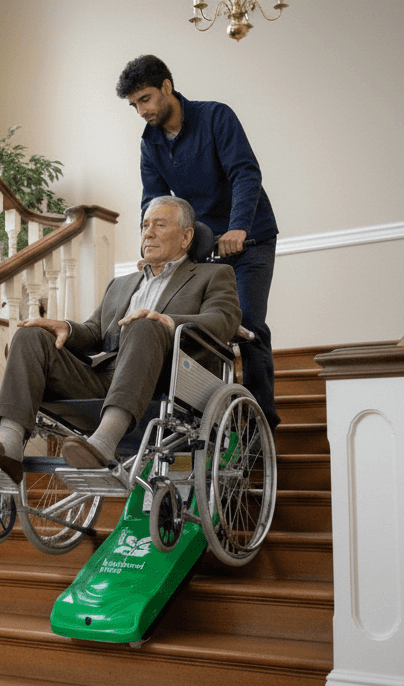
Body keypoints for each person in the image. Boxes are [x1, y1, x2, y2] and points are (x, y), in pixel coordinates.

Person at [0, 196, 241, 483]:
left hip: (165, 381)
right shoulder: (121, 284)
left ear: (186, 237)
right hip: (107, 378)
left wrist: (168, 322)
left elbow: (224, 320)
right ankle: (8, 446)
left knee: (145, 324)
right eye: (145, 225)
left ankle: (104, 443)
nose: (148, 233)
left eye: (160, 225)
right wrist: (66, 327)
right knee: (30, 334)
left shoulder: (213, 275)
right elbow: (95, 332)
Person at [116, 54, 281, 430]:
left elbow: (244, 173)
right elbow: (153, 201)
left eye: (145, 99)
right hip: (203, 244)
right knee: (197, 326)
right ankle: (207, 421)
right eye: (134, 104)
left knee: (248, 325)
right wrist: (151, 247)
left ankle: (262, 427)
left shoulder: (215, 117)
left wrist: (237, 228)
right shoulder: (150, 144)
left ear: (167, 88)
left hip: (250, 238)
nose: (141, 111)